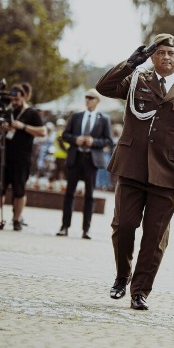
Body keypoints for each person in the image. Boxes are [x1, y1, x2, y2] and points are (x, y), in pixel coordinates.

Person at [96, 33, 174, 310]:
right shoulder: (135, 80)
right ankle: (123, 275)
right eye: (159, 53)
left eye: (171, 53)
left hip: (167, 173)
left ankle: (140, 291)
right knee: (123, 226)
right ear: (152, 57)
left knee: (155, 237)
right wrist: (130, 63)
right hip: (132, 167)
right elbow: (104, 87)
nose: (165, 57)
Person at [0, 84, 47, 231]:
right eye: (12, 99)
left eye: (17, 99)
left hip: (22, 158)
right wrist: (2, 127)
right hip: (4, 155)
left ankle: (16, 219)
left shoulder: (32, 113)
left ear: (23, 97)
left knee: (19, 190)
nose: (14, 102)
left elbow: (43, 132)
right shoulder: (6, 110)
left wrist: (22, 126)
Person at [56, 89, 113, 239]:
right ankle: (64, 226)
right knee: (69, 193)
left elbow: (108, 140)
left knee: (90, 196)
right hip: (75, 158)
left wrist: (94, 142)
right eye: (86, 97)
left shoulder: (104, 119)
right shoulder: (76, 116)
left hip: (91, 160)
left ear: (97, 101)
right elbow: (65, 135)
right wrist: (76, 139)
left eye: (91, 98)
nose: (88, 100)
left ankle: (86, 230)